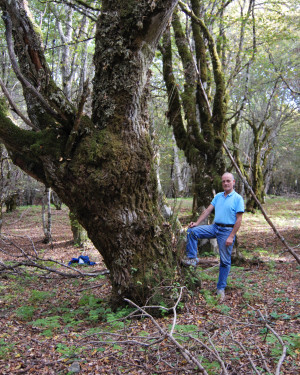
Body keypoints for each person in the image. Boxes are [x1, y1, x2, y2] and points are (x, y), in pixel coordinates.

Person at [182, 172, 244, 301]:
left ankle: (220, 288)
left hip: (227, 230)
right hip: (215, 227)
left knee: (225, 261)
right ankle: (192, 258)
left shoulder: (238, 198)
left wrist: (231, 236)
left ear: (233, 182)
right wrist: (197, 223)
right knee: (192, 232)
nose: (225, 183)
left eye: (228, 181)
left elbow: (239, 220)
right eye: (223, 181)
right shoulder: (218, 196)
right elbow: (207, 211)